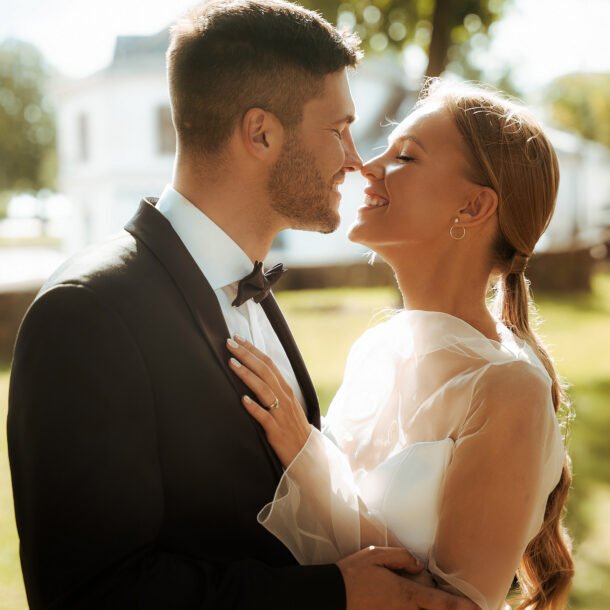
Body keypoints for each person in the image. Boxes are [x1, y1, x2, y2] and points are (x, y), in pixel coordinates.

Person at [7, 1, 476, 609]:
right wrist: (331, 595)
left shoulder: (252, 291)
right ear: (261, 132)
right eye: (338, 130)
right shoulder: (87, 314)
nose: (355, 159)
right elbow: (93, 591)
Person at [226, 80, 575, 610]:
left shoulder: (509, 390)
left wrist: (306, 454)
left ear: (474, 206)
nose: (366, 166)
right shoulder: (375, 349)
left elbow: (452, 605)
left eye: (405, 157)